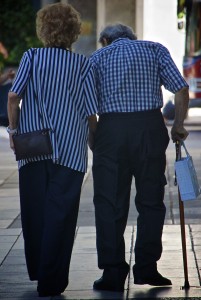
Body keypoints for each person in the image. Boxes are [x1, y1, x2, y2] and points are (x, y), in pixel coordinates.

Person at [89, 24, 189, 292]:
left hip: (111, 131)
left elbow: (88, 105)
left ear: (106, 40)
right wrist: (178, 125)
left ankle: (112, 272)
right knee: (151, 201)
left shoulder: (97, 58)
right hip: (149, 127)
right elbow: (180, 89)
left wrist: (94, 137)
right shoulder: (154, 49)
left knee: (109, 202)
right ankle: (146, 268)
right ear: (133, 37)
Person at [7, 3, 97, 297]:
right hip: (70, 153)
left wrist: (13, 131)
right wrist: (94, 143)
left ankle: (39, 272)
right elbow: (89, 112)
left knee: (34, 214)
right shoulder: (82, 64)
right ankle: (52, 280)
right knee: (62, 216)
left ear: (43, 30)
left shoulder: (32, 57)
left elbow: (13, 96)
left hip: (33, 149)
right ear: (73, 32)